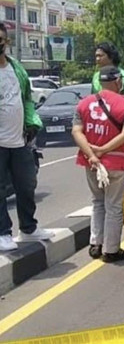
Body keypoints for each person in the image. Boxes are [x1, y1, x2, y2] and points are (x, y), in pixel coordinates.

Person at [72, 66, 124, 262]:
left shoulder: (83, 104)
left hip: (91, 162)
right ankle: (111, 250)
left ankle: (95, 244)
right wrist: (104, 150)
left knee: (97, 202)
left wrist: (92, 154)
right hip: (115, 162)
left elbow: (76, 131)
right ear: (118, 82)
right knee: (114, 206)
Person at [0, 23, 54, 251]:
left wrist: (32, 123)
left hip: (19, 140)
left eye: (1, 39)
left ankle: (28, 228)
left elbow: (27, 100)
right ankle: (3, 233)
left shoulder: (16, 69)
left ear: (7, 41)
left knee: (26, 184)